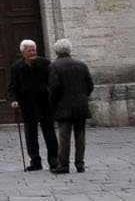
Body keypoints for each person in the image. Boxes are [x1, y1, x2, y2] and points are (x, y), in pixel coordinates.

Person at [7, 39, 59, 171]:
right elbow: (12, 87)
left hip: (44, 103)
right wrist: (13, 100)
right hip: (27, 104)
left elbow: (52, 82)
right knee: (30, 135)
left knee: (50, 133)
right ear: (23, 53)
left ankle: (53, 160)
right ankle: (35, 161)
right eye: (29, 51)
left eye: (34, 50)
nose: (32, 53)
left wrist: (51, 95)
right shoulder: (16, 67)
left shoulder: (45, 64)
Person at [47, 39, 92, 174]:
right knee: (80, 135)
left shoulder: (54, 66)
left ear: (56, 51)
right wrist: (82, 97)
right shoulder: (81, 65)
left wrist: (53, 103)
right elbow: (90, 85)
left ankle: (64, 164)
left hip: (63, 106)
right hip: (80, 105)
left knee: (64, 137)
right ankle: (80, 164)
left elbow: (53, 87)